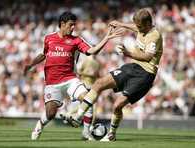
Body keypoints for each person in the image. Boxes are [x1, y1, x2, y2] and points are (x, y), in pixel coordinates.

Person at [24, 11, 123, 140]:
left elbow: (92, 50)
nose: (73, 28)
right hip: (52, 83)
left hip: (70, 79)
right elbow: (43, 54)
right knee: (51, 114)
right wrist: (31, 65)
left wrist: (106, 38)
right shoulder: (49, 38)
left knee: (88, 99)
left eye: (74, 25)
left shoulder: (76, 40)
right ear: (62, 24)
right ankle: (39, 126)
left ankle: (86, 133)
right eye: (70, 25)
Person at [67, 8, 163, 141]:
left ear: (148, 24)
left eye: (140, 26)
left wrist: (127, 53)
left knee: (117, 105)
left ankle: (111, 134)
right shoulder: (142, 27)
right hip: (133, 67)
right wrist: (121, 23)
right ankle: (77, 116)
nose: (138, 29)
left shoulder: (155, 35)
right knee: (99, 83)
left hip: (145, 74)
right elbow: (134, 27)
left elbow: (147, 57)